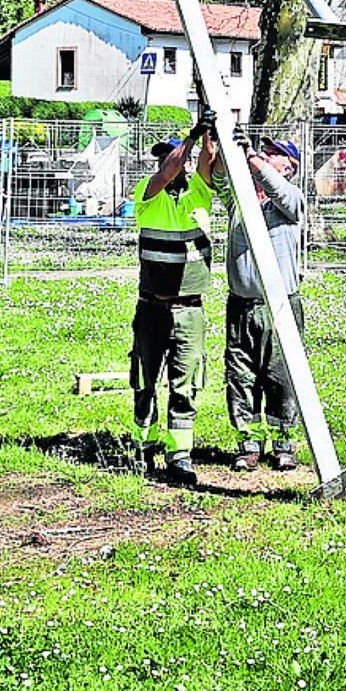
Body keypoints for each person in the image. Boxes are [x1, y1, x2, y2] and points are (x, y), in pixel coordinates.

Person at [130, 115, 218, 487]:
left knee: (185, 385)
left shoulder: (200, 194)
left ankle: (179, 456)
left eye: (179, 156)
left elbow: (208, 164)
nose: (176, 163)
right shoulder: (147, 196)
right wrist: (193, 135)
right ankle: (144, 446)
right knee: (145, 380)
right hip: (152, 306)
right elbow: (166, 173)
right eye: (170, 157)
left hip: (189, 309)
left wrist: (213, 136)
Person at [217, 132, 306, 472]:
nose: (268, 155)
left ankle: (284, 444)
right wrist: (220, 142)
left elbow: (278, 190)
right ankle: (249, 443)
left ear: (289, 167)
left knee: (281, 375)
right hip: (241, 305)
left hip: (279, 307)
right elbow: (221, 176)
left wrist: (253, 158)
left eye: (275, 154)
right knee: (240, 375)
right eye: (265, 151)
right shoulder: (240, 202)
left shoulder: (290, 201)